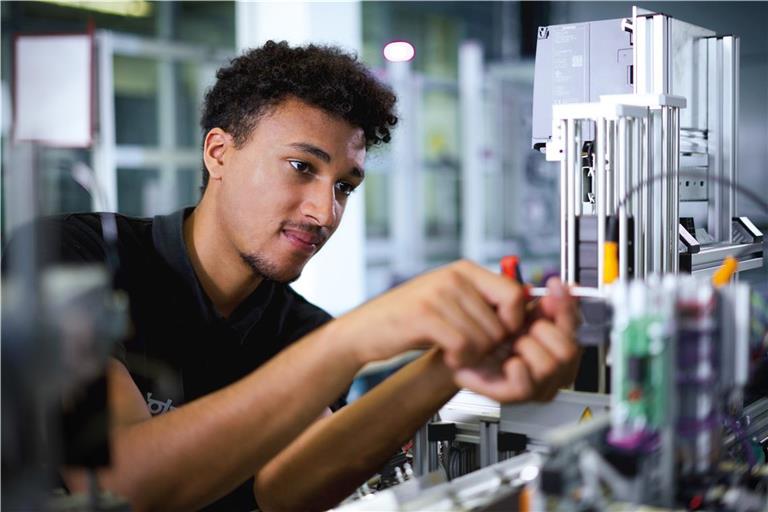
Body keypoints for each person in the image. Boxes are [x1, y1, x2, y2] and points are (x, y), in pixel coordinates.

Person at [7, 41, 581, 511]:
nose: (324, 212)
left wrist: (449, 369)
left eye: (344, 187)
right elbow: (119, 483)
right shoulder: (68, 255)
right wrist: (355, 338)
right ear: (218, 153)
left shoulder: (301, 331)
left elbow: (285, 489)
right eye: (301, 167)